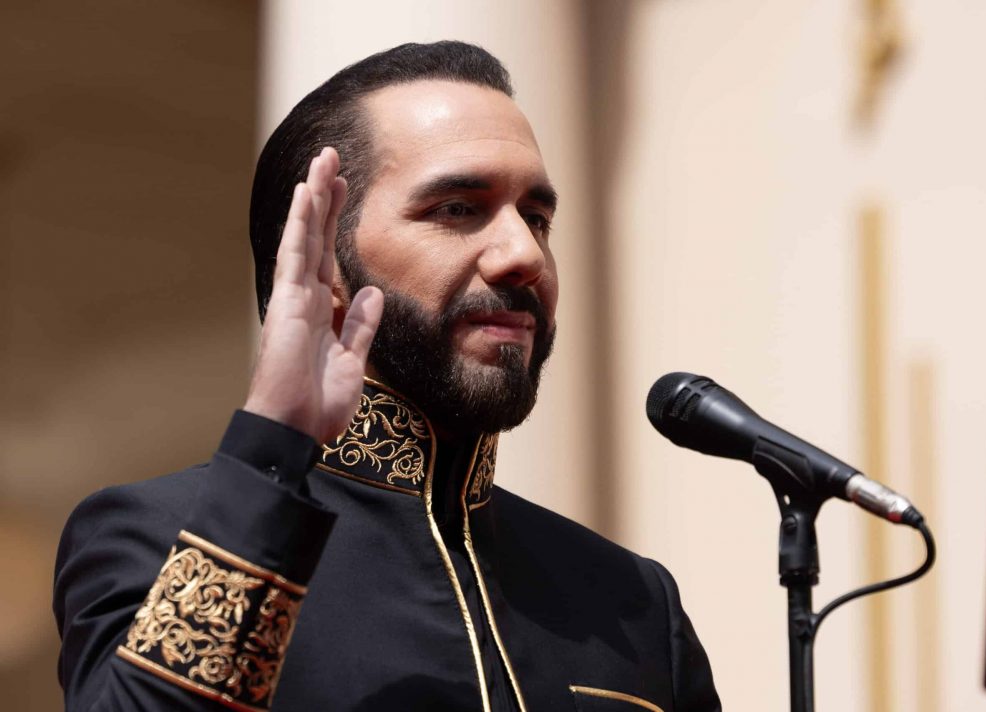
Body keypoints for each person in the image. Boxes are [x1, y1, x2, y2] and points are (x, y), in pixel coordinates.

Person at [53, 41, 721, 711]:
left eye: (537, 218)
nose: (525, 254)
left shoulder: (633, 601)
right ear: (325, 262)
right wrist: (272, 449)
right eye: (457, 208)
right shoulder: (162, 536)